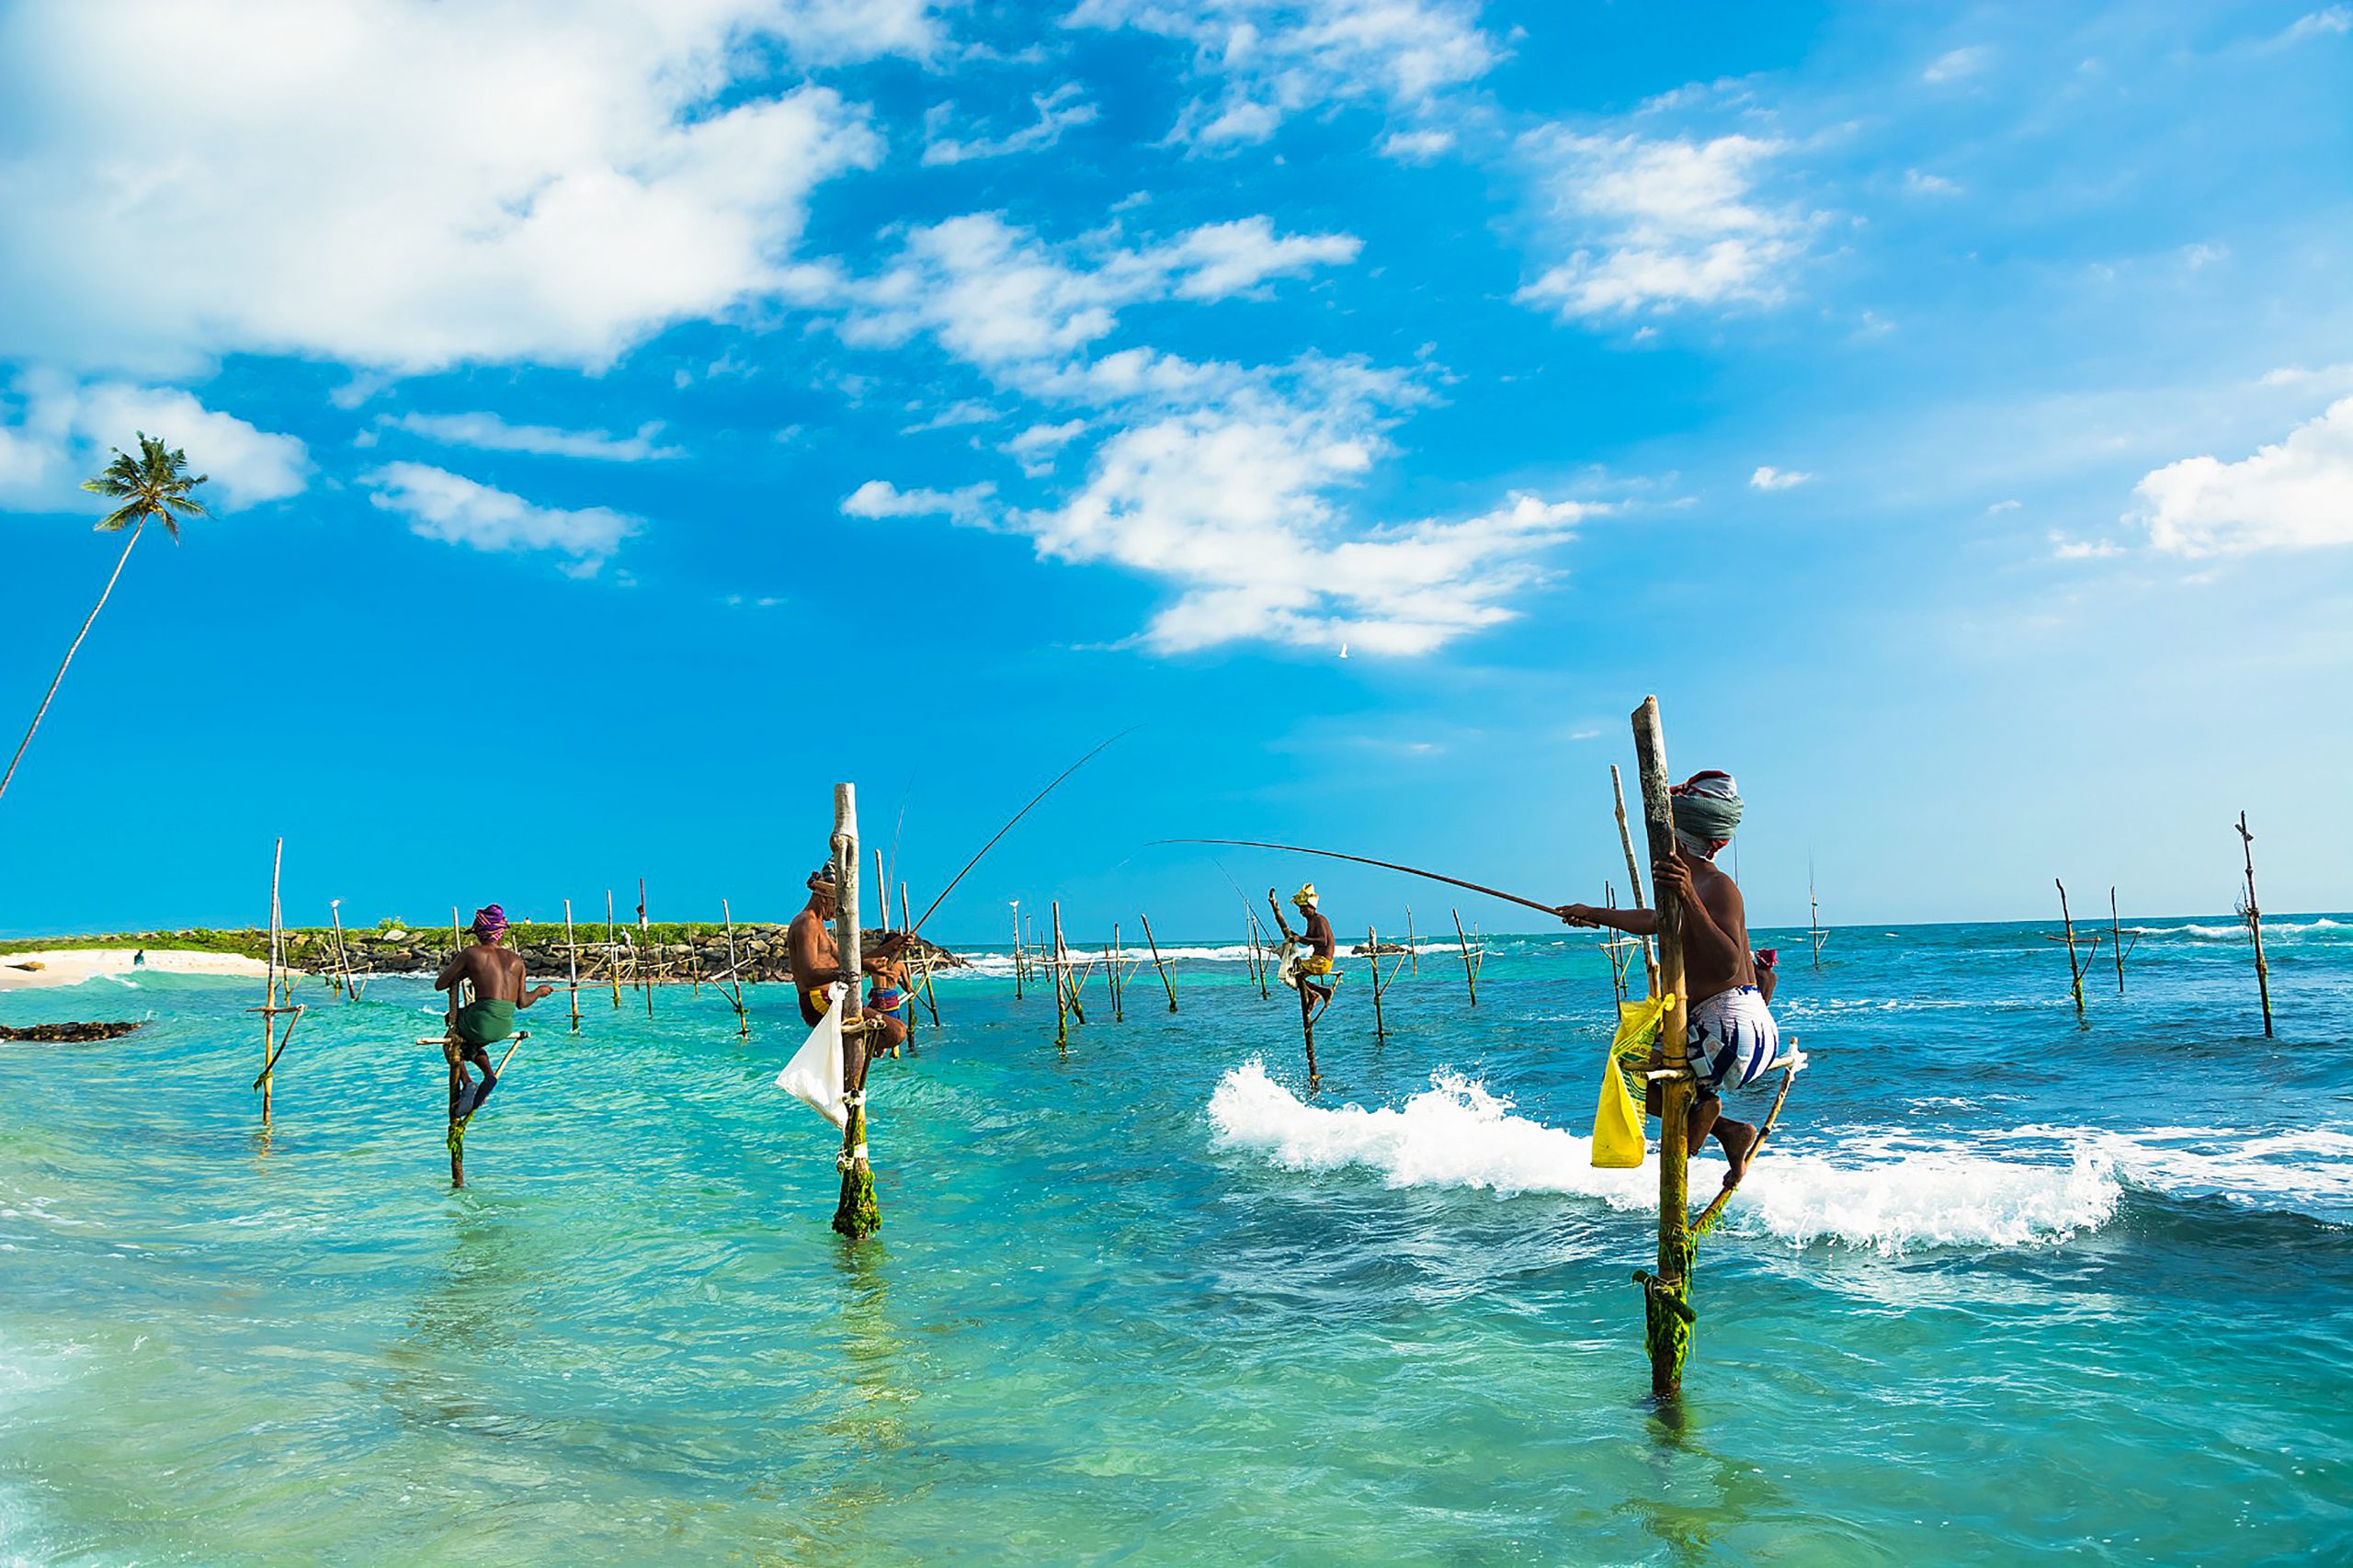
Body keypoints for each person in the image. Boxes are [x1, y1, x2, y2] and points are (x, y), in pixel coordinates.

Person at [1556, 771, 1785, 1187]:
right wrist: (1593, 913)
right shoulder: (1693, 884)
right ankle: (1729, 1130)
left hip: (1727, 1030)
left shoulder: (1716, 886)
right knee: (1643, 1075)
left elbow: (1726, 963)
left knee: (1631, 1071)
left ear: (1679, 837)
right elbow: (1656, 921)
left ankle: (1710, 1113)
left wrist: (1688, 897)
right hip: (1740, 1032)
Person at [434, 904, 551, 1116]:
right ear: (501, 932)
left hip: (481, 1019)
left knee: (450, 1041)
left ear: (479, 932)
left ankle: (468, 1083)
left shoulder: (471, 953)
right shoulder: (517, 960)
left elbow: (440, 984)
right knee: (472, 1046)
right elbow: (522, 1002)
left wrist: (464, 973)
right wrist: (540, 992)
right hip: (505, 1024)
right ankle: (489, 1075)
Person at [786, 867, 908, 1054]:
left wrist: (894, 946)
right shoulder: (807, 923)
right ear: (825, 897)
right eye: (837, 904)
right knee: (896, 1032)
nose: (837, 913)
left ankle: (848, 1055)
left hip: (829, 997)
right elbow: (809, 977)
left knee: (887, 1033)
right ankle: (850, 1053)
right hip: (818, 1001)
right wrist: (857, 969)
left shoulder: (818, 925)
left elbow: (853, 960)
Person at [1267, 883, 1337, 1020]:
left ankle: (1317, 994)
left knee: (1294, 971)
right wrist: (1294, 936)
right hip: (1316, 959)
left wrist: (1299, 938)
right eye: (1300, 909)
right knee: (1296, 975)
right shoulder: (1311, 921)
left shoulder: (1319, 919)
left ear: (1312, 907)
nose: (1301, 912)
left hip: (1322, 962)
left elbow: (1322, 941)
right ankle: (1319, 992)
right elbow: (1308, 940)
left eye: (1303, 908)